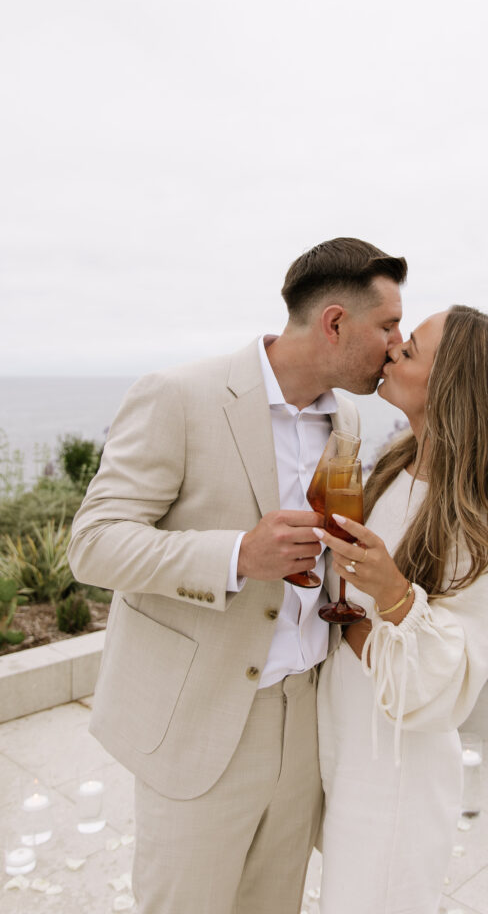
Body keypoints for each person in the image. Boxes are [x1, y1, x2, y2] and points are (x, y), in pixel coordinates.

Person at [67, 237, 407, 914]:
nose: (396, 346)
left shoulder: (345, 417)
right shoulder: (178, 396)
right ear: (335, 322)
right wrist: (234, 557)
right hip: (203, 721)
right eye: (389, 326)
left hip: (306, 720)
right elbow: (94, 544)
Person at [314, 304, 488, 914]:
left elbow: (448, 688)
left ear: (453, 385)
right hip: (346, 743)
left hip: (396, 780)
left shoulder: (485, 530)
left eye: (410, 348)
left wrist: (385, 600)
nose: (391, 349)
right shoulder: (395, 465)